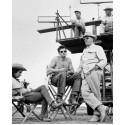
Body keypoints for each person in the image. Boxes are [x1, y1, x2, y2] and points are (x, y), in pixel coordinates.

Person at [76, 32, 109, 122]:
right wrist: (76, 72)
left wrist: (96, 67)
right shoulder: (84, 50)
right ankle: (102, 108)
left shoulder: (98, 48)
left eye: (87, 37)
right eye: (84, 38)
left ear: (93, 39)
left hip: (94, 71)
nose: (85, 39)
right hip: (85, 73)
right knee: (84, 92)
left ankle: (97, 115)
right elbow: (81, 64)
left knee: (95, 93)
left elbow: (104, 60)